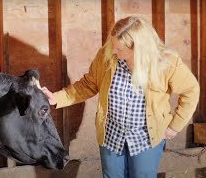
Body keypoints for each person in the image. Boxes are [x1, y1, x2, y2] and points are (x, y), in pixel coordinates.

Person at [41, 16, 200, 178]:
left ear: (138, 49)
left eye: (120, 48)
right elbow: (88, 84)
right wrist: (57, 98)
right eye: (112, 44)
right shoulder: (107, 55)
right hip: (112, 135)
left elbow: (191, 90)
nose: (113, 50)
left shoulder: (166, 63)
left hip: (145, 138)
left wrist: (175, 125)